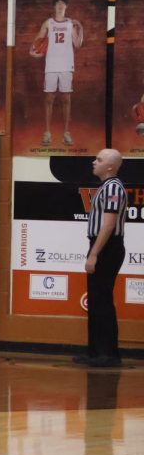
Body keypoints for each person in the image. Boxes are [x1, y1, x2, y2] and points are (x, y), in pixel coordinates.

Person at [75, 148, 127, 367]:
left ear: (110, 167)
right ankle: (95, 352)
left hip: (107, 247)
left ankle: (108, 354)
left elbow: (108, 225)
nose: (93, 162)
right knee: (96, 300)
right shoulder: (105, 187)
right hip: (101, 246)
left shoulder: (114, 187)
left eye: (99, 159)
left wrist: (94, 254)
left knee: (102, 299)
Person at [31, 0, 83, 147]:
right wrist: (33, 50)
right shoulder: (48, 23)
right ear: (54, 6)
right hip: (51, 65)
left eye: (63, 3)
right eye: (58, 3)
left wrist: (80, 27)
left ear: (66, 7)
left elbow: (78, 45)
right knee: (49, 99)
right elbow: (38, 39)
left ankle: (66, 132)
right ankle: (47, 132)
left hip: (67, 65)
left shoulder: (70, 24)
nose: (60, 5)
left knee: (66, 99)